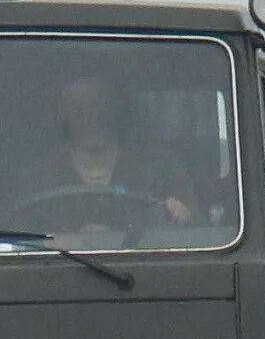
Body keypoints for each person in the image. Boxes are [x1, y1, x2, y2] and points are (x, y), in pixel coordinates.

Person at [11, 76, 200, 234]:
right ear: (63, 116)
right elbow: (14, 242)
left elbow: (203, 234)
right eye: (78, 108)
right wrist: (51, 243)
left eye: (99, 107)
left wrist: (183, 215)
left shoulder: (163, 168)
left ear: (117, 111)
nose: (90, 116)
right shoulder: (36, 180)